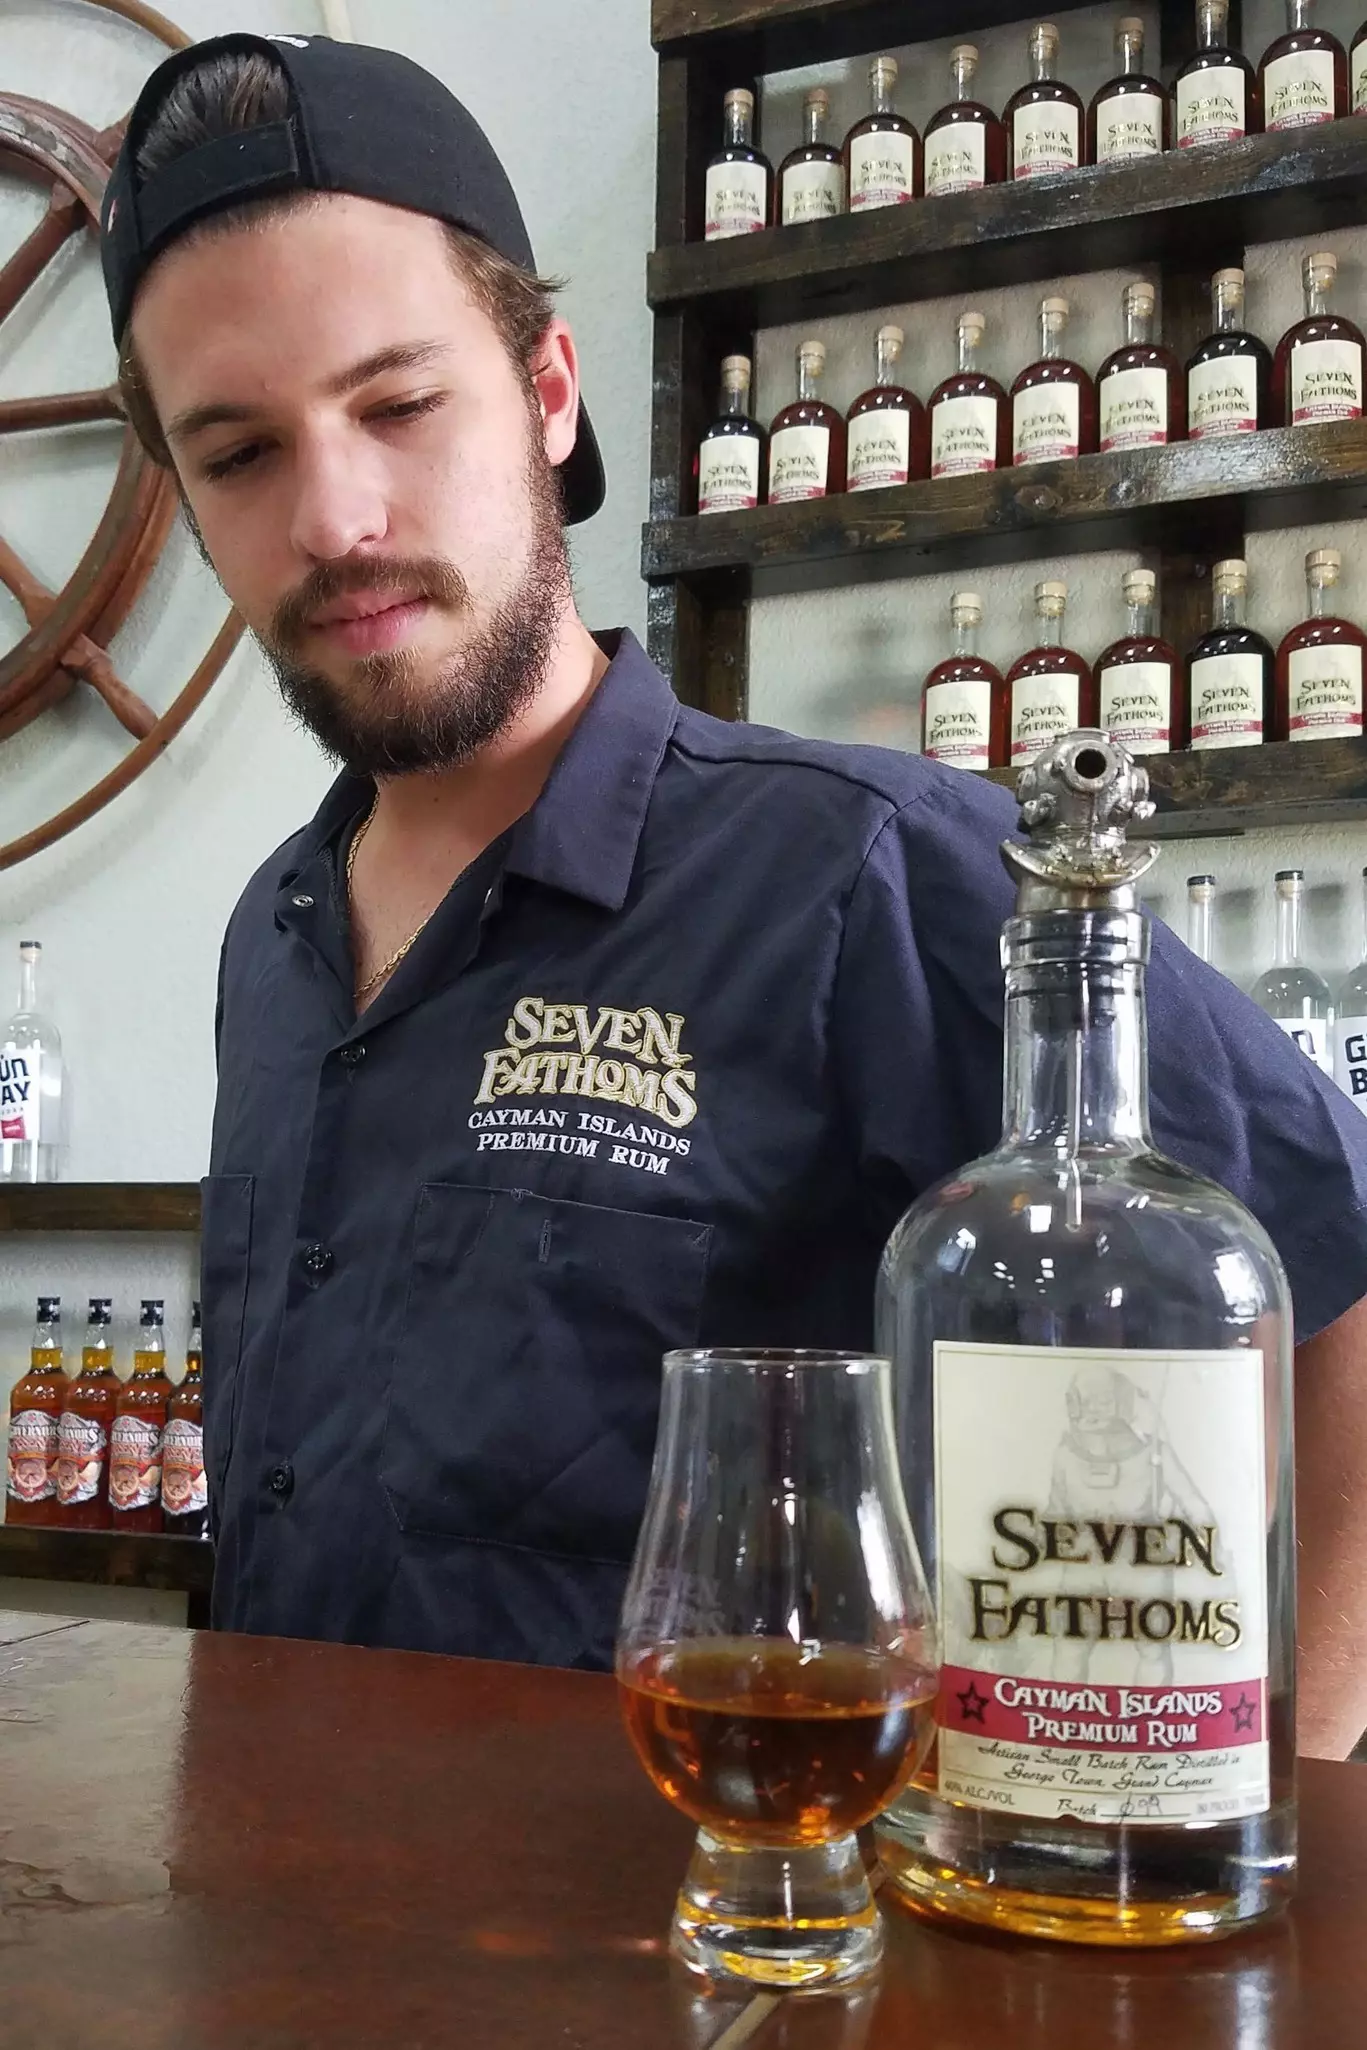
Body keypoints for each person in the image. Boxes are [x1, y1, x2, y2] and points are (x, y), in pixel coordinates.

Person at [100, 31, 1367, 1757]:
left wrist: (1272, 1800)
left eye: (400, 404)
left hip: (740, 1975)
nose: (334, 513)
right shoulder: (276, 931)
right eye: (238, 454)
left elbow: (1333, 1272)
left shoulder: (875, 871)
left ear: (549, 393)